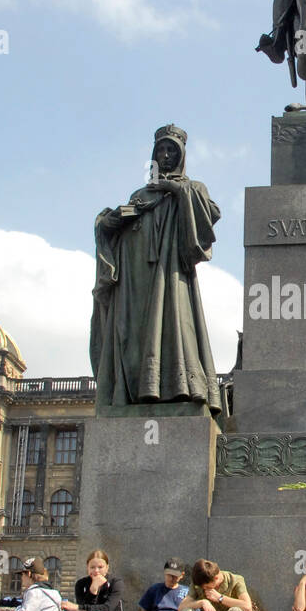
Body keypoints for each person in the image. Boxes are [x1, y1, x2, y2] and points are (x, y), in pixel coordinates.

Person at [90, 124, 222, 412]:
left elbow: (210, 216)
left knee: (175, 327)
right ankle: (133, 389)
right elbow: (115, 230)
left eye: (171, 150)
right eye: (161, 150)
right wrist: (111, 222)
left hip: (170, 271)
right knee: (132, 333)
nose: (165, 155)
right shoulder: (141, 192)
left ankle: (177, 387)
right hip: (135, 276)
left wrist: (176, 189)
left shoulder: (192, 188)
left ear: (181, 155)